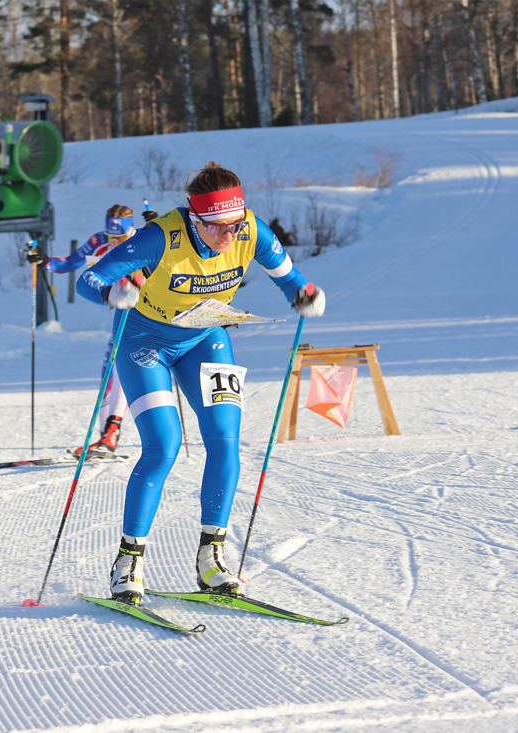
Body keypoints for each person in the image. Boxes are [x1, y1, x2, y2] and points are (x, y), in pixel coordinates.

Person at [76, 162, 325, 602]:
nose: (230, 237)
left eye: (235, 225)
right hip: (145, 342)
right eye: (217, 228)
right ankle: (129, 562)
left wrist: (305, 295)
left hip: (206, 338)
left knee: (225, 441)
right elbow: (89, 278)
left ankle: (211, 559)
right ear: (195, 219)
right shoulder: (160, 238)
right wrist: (111, 293)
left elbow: (290, 279)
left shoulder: (250, 230)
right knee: (164, 445)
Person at [27, 203, 159, 456]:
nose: (113, 242)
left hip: (146, 311)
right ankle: (106, 438)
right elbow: (67, 264)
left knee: (119, 366)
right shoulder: (99, 241)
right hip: (120, 309)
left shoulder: (142, 239)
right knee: (109, 370)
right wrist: (43, 261)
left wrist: (156, 224)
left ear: (130, 231)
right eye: (110, 235)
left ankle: (111, 435)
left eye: (119, 237)